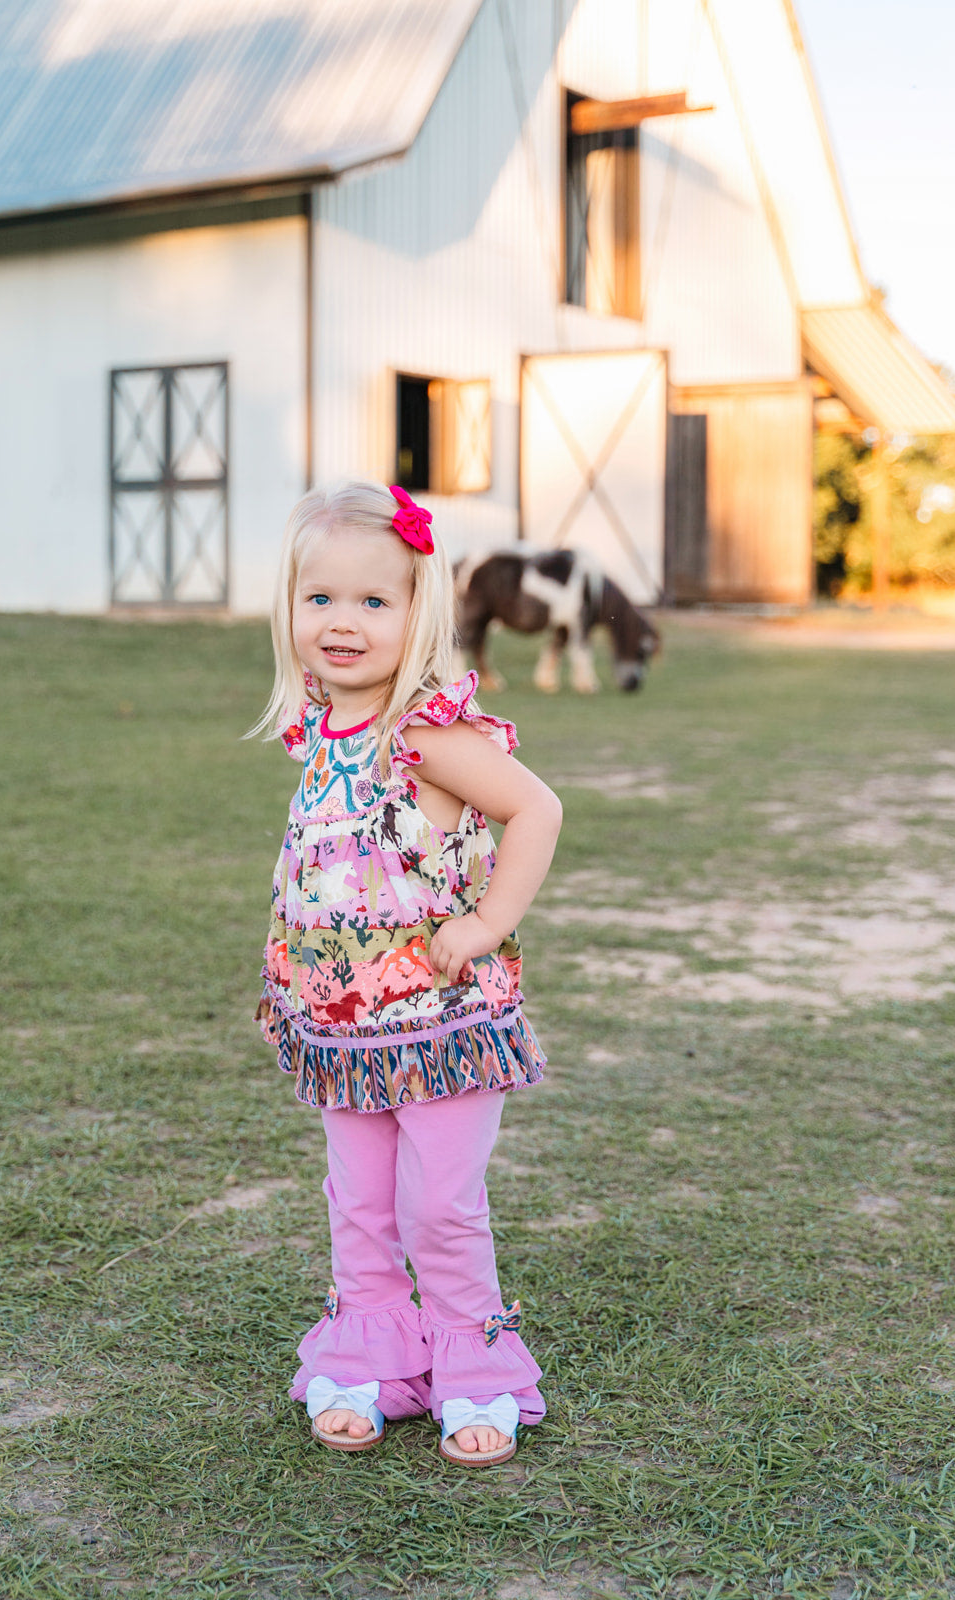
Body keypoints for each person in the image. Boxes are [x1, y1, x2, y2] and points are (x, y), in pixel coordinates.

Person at [253, 480, 562, 1466]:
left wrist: (489, 919)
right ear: (290, 609)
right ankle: (372, 1356)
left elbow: (537, 808)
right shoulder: (319, 730)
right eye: (321, 598)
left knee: (440, 1207)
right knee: (360, 1204)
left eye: (373, 601)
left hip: (444, 1024)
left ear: (418, 612)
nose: (342, 622)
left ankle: (475, 1367)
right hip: (347, 1029)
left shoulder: (424, 735)